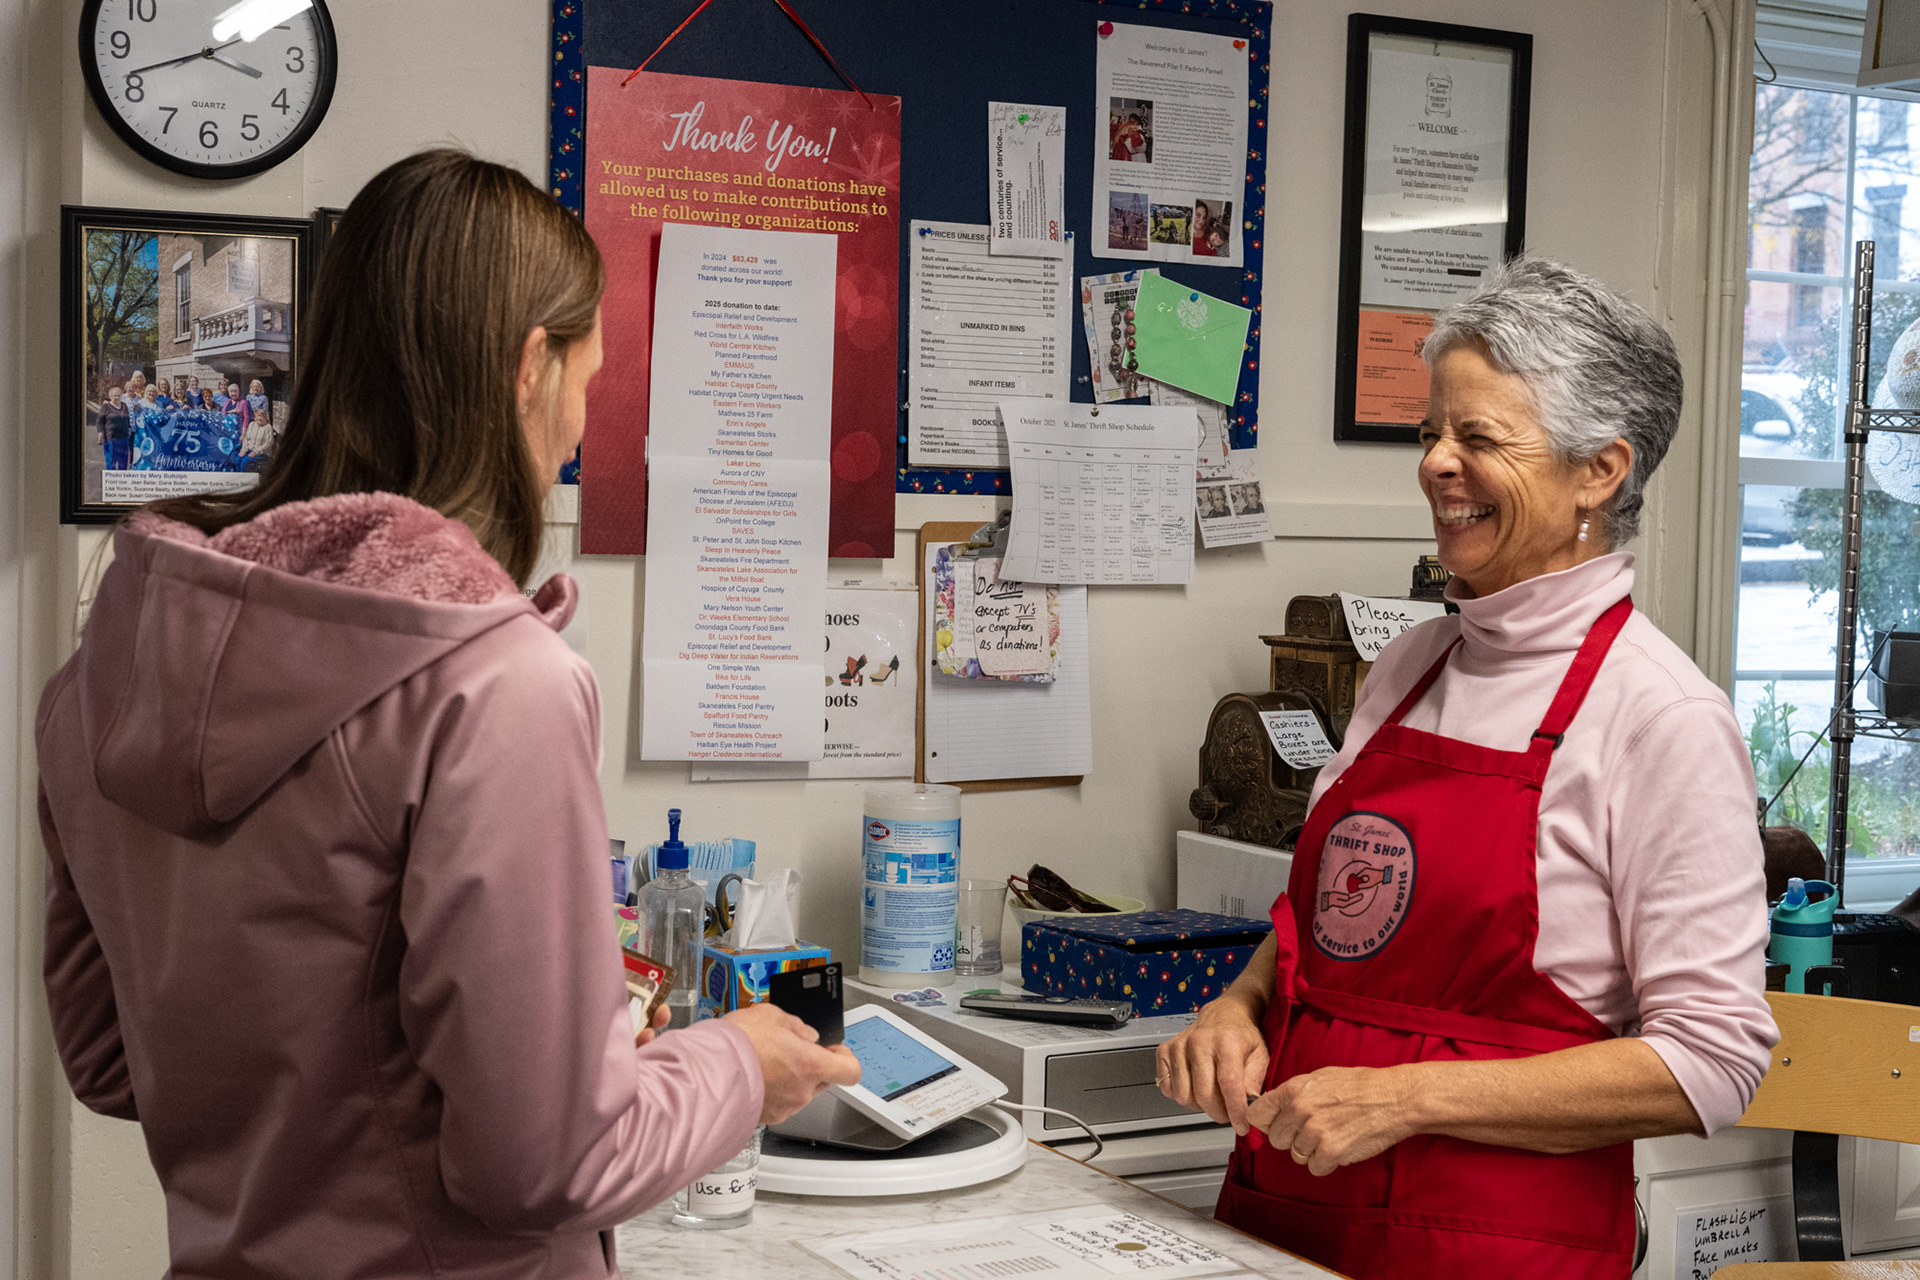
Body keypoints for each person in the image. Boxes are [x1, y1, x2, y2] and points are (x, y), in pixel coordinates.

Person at [37, 148, 860, 1279]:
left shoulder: (106, 671)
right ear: (531, 366)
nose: (578, 430)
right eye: (591, 379)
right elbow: (544, 1163)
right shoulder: (495, 687)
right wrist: (738, 1066)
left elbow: (107, 1057)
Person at [1156, 256, 1777, 1280]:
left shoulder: (1660, 717)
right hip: (1291, 1219)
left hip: (1493, 1244)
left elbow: (1710, 1061)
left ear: (1600, 470)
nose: (1438, 462)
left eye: (1479, 436)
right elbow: (1333, 926)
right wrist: (1240, 1003)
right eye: (1431, 433)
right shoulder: (1409, 663)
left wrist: (1404, 1098)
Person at [98, 383, 130, 471]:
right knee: (111, 463)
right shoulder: (105, 407)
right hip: (111, 439)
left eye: (118, 395)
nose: (116, 397)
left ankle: (122, 483)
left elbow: (127, 419)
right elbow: (99, 421)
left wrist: (129, 429)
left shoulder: (124, 405)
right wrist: (100, 434)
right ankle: (111, 483)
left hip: (124, 438)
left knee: (123, 464)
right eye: (114, 395)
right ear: (110, 396)